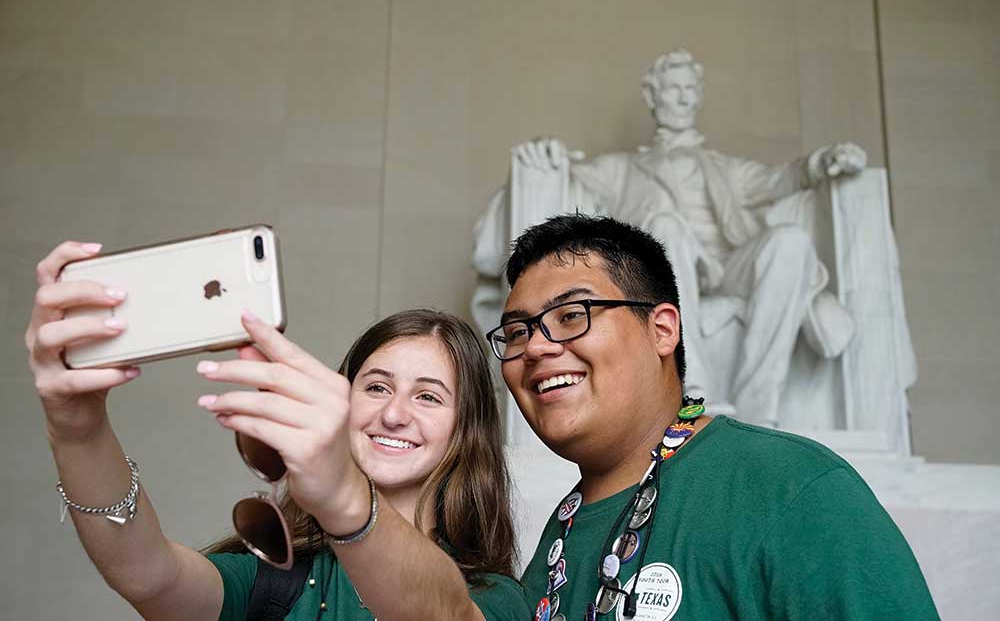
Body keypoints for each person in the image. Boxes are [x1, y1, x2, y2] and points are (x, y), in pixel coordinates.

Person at [26, 240, 529, 621]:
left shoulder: (497, 598)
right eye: (376, 387)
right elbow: (147, 576)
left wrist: (342, 498)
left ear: (467, 432)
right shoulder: (281, 577)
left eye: (428, 396)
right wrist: (76, 427)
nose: (394, 414)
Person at [486, 214, 938, 620]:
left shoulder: (790, 486)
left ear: (662, 330)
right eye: (517, 332)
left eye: (571, 315)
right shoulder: (562, 530)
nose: (537, 347)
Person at [475, 49, 870, 425]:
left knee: (790, 242)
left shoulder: (724, 168)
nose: (682, 98)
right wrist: (547, 152)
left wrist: (821, 163)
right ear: (652, 95)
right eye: (672, 88)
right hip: (664, 262)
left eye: (689, 89)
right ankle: (688, 383)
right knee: (665, 227)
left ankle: (758, 402)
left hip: (725, 268)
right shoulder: (622, 170)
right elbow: (569, 178)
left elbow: (781, 179)